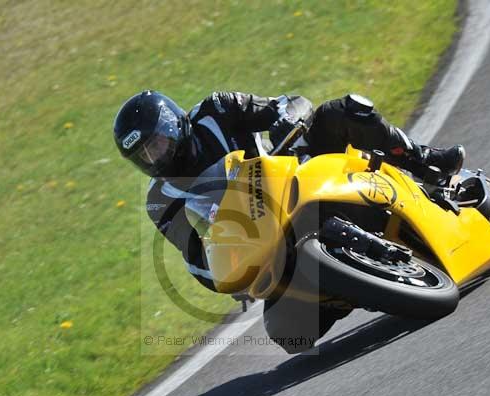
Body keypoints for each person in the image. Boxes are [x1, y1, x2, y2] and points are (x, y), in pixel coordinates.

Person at [113, 90, 465, 352]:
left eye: (156, 144)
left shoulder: (215, 110)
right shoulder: (160, 201)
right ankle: (347, 289)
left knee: (341, 112)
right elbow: (196, 263)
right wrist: (227, 269)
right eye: (142, 155)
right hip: (266, 245)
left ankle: (426, 163)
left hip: (298, 178)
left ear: (174, 125)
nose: (153, 157)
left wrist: (287, 118)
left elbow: (290, 103)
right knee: (289, 335)